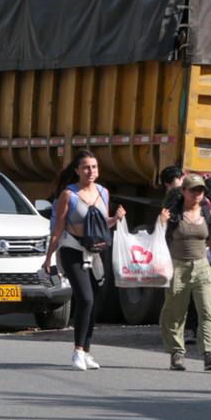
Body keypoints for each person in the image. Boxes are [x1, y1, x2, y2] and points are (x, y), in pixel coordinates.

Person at [43, 150, 126, 371]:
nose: (91, 171)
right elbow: (57, 229)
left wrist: (116, 219)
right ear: (77, 171)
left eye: (95, 167)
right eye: (86, 167)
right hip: (72, 250)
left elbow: (101, 225)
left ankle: (87, 351)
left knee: (95, 301)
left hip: (94, 252)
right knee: (86, 298)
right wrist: (48, 258)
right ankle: (78, 351)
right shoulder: (68, 195)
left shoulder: (103, 193)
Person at [157, 174, 211, 371]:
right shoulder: (172, 214)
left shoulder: (208, 214)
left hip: (202, 267)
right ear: (183, 191)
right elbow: (157, 238)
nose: (197, 194)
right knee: (175, 313)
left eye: (201, 190)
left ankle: (210, 354)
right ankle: (176, 353)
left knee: (208, 309)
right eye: (193, 190)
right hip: (177, 267)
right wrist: (161, 222)